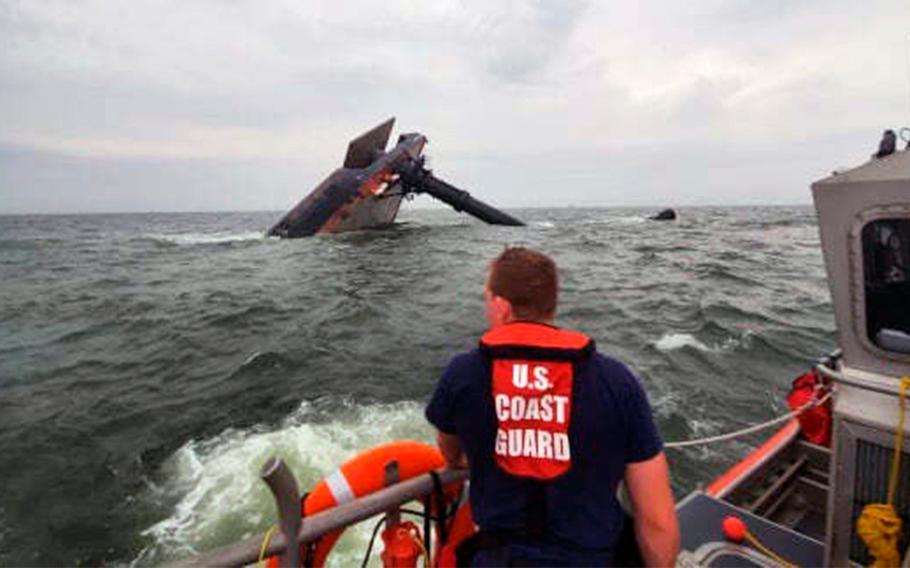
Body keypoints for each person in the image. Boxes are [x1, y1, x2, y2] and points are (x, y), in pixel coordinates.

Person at [425, 247, 679, 566]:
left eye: (487, 298)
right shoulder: (617, 381)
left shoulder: (462, 375)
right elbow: (656, 520)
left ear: (501, 306)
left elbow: (451, 452)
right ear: (551, 304)